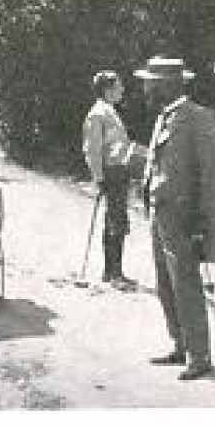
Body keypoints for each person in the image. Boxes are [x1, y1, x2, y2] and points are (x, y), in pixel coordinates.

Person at [136, 56, 215, 381]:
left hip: (184, 217)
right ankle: (180, 344)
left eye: (150, 83)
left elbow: (213, 172)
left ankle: (199, 356)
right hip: (160, 214)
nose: (145, 88)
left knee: (186, 284)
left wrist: (202, 221)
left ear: (168, 84)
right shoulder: (165, 116)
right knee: (165, 283)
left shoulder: (196, 117)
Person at [83, 70, 141, 290]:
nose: (122, 90)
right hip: (111, 172)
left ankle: (114, 271)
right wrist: (98, 177)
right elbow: (92, 149)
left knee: (117, 220)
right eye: (118, 87)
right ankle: (113, 273)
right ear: (107, 90)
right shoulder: (97, 114)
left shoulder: (110, 112)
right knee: (115, 221)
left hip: (119, 170)